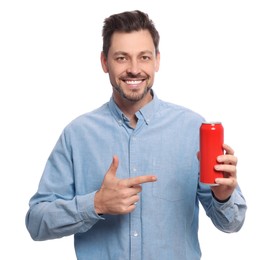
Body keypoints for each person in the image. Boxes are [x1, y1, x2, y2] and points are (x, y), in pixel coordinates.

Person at [25, 10, 247, 260]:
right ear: (104, 62)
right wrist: (96, 204)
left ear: (157, 61)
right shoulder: (77, 135)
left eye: (144, 57)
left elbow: (232, 223)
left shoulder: (193, 129)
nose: (134, 69)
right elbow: (36, 222)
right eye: (121, 58)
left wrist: (223, 196)